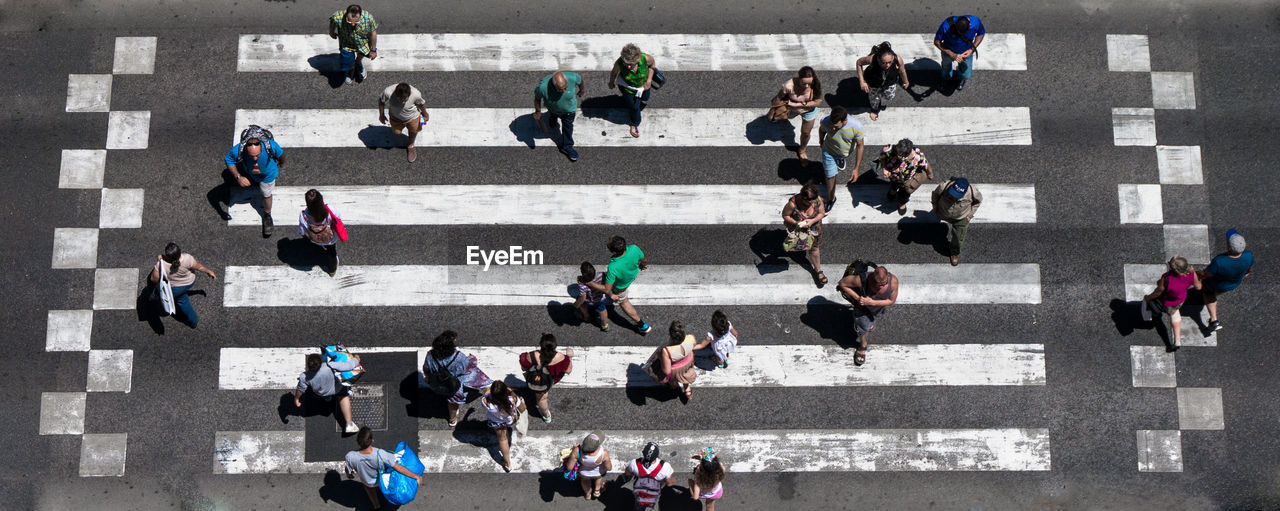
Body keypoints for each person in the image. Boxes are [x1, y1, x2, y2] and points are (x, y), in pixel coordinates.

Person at [221, 128, 285, 237]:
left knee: (266, 194)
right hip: (249, 172)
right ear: (245, 147)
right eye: (252, 156)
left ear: (261, 146)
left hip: (267, 175)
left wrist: (281, 164)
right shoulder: (238, 149)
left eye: (257, 155)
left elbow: (281, 155)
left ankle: (267, 215)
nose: (255, 159)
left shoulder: (271, 146)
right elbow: (229, 160)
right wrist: (238, 177)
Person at [422, 330, 492, 427]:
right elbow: (467, 367)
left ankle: (452, 419)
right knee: (453, 402)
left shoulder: (431, 355)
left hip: (437, 382)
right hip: (453, 384)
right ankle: (452, 419)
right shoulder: (458, 356)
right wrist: (473, 358)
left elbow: (426, 368)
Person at [344, 426, 421, 510]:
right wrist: (416, 476)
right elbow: (398, 467)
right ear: (372, 441)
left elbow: (348, 469)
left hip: (367, 481)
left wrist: (349, 475)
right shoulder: (381, 454)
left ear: (357, 441)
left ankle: (376, 505)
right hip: (379, 481)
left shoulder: (350, 456)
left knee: (370, 490)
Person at [837, 265, 899, 366]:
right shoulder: (861, 279)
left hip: (877, 307)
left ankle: (869, 323)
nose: (880, 287)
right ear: (872, 276)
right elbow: (842, 283)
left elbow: (891, 301)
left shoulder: (894, 282)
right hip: (862, 307)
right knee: (863, 328)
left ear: (888, 276)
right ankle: (863, 345)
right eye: (877, 284)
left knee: (872, 319)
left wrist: (872, 302)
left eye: (883, 284)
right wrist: (858, 299)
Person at [147, 242, 216, 328]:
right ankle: (193, 321)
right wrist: (208, 271)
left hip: (175, 288)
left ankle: (193, 319)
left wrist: (159, 261)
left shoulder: (162, 265)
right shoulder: (187, 258)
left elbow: (153, 279)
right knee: (182, 299)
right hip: (189, 282)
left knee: (183, 301)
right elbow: (198, 267)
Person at [1199, 229, 1254, 332]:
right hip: (1233, 284)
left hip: (1216, 284)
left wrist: (1197, 274)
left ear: (1229, 248)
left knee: (1209, 294)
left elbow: (1207, 274)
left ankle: (1214, 320)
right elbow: (1249, 269)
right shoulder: (1248, 255)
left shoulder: (1219, 260)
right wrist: (1246, 273)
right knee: (1217, 292)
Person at [1143, 255, 1202, 350]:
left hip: (1167, 302)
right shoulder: (1191, 273)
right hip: (1180, 300)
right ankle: (1177, 339)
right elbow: (1198, 287)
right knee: (1175, 314)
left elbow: (1158, 291)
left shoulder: (1167, 278)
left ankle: (1154, 316)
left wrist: (1147, 298)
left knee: (1161, 313)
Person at [295, 352, 361, 434]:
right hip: (336, 389)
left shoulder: (304, 377)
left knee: (321, 394)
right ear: (320, 363)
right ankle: (349, 424)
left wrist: (297, 399)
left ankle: (328, 398)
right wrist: (356, 359)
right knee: (344, 396)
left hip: (321, 393)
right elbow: (348, 366)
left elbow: (300, 389)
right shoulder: (330, 366)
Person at [817, 106, 866, 209]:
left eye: (836, 127)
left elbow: (860, 146)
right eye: (832, 125)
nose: (833, 128)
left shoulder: (856, 127)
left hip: (844, 152)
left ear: (845, 121)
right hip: (829, 151)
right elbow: (822, 130)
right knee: (830, 176)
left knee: (840, 156)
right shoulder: (826, 121)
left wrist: (856, 169)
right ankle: (831, 199)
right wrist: (821, 141)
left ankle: (839, 159)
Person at [518, 333, 574, 422]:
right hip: (550, 380)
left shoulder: (531, 355)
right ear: (555, 346)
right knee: (542, 398)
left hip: (533, 379)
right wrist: (569, 357)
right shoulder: (561, 358)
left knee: (541, 398)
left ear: (540, 344)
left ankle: (546, 415)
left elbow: (523, 367)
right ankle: (546, 416)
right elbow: (568, 371)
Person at [771, 66, 823, 161]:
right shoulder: (788, 86)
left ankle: (802, 150)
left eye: (809, 83)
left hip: (808, 110)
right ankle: (776, 117)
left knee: (806, 133)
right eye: (804, 83)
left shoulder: (815, 85)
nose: (807, 86)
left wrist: (796, 104)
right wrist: (772, 111)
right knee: (780, 117)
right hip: (791, 109)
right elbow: (779, 98)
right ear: (799, 78)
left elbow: (817, 102)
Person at [781, 183, 828, 287]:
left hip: (814, 228)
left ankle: (818, 271)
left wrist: (812, 221)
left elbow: (821, 213)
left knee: (814, 248)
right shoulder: (793, 204)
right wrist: (797, 223)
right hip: (797, 228)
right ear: (803, 198)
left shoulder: (817, 200)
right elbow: (785, 215)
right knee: (797, 244)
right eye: (808, 201)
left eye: (813, 201)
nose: (812, 204)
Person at [605, 236, 653, 334]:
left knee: (624, 303)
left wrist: (611, 295)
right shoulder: (634, 249)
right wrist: (642, 265)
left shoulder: (613, 267)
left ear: (614, 252)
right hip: (631, 275)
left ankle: (642, 325)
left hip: (619, 287)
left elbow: (607, 289)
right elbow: (644, 260)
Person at [608, 43, 657, 138]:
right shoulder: (619, 63)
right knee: (634, 108)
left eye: (631, 64)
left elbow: (652, 66)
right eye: (626, 64)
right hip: (628, 88)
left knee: (645, 98)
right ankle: (635, 123)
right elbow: (614, 73)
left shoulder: (646, 58)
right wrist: (611, 82)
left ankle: (638, 105)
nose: (628, 67)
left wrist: (649, 80)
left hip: (644, 86)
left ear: (638, 60)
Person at [534, 71, 585, 161]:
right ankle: (552, 119)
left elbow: (580, 80)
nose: (564, 91)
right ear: (554, 85)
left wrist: (582, 90)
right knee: (553, 117)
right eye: (560, 89)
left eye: (565, 88)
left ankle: (568, 146)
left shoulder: (573, 77)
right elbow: (537, 98)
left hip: (569, 111)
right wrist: (538, 111)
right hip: (553, 109)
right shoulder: (542, 88)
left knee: (568, 127)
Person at [932, 177, 983, 266]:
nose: (954, 197)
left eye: (958, 195)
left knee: (958, 239)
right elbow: (935, 194)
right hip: (943, 212)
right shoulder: (944, 186)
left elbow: (978, 202)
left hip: (961, 217)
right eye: (953, 193)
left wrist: (970, 215)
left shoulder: (972, 191)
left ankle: (955, 253)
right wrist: (935, 207)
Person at [876, 139, 933, 215]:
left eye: (905, 156)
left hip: (907, 181)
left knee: (904, 194)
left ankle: (901, 203)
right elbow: (882, 155)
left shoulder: (918, 156)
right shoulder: (890, 149)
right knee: (894, 185)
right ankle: (893, 190)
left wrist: (930, 174)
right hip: (893, 177)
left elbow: (926, 165)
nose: (902, 159)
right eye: (899, 155)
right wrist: (884, 168)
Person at [645, 321, 698, 401]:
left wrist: (659, 357)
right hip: (687, 361)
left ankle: (673, 385)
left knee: (672, 376)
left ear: (671, 335)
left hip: (675, 368)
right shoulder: (691, 337)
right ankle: (687, 390)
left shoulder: (667, 351)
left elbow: (667, 371)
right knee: (685, 374)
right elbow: (693, 346)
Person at [856, 42, 910, 121]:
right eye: (884, 63)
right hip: (873, 82)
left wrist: (906, 81)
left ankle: (880, 97)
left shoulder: (897, 59)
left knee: (889, 96)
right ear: (878, 58)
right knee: (874, 99)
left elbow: (902, 71)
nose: (887, 65)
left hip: (890, 82)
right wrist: (862, 81)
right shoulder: (872, 59)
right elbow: (859, 63)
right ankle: (874, 110)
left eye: (890, 62)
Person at [481, 380, 526, 472]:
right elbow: (523, 408)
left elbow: (485, 396)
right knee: (506, 437)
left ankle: (508, 464)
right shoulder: (513, 398)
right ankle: (508, 463)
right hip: (509, 421)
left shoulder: (487, 402)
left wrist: (488, 391)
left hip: (496, 422)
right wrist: (512, 392)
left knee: (502, 439)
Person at [378, 82, 429, 162]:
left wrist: (425, 115)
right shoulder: (388, 92)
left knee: (413, 131)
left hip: (413, 117)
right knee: (396, 132)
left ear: (410, 94)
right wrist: (381, 115)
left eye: (405, 100)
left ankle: (411, 145)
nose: (403, 103)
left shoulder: (416, 94)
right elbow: (381, 101)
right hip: (395, 118)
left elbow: (421, 104)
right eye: (400, 99)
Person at [328, 4, 378, 84]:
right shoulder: (337, 17)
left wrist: (373, 49)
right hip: (346, 43)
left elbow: (373, 33)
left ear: (360, 15)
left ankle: (358, 63)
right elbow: (332, 24)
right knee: (347, 60)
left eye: (356, 22)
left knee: (362, 54)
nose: (352, 24)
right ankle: (350, 69)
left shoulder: (369, 18)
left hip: (362, 42)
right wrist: (331, 32)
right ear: (346, 14)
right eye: (349, 21)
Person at [934, 15, 985, 91]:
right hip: (948, 52)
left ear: (970, 23)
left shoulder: (976, 22)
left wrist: (971, 50)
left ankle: (961, 78)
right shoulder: (946, 25)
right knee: (945, 68)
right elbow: (937, 42)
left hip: (966, 52)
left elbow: (981, 34)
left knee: (966, 74)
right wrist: (951, 54)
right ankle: (946, 78)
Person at [299, 189, 343, 276]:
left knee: (323, 246)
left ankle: (323, 246)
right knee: (331, 252)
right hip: (331, 238)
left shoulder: (303, 216)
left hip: (316, 240)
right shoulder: (330, 209)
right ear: (321, 200)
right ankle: (332, 270)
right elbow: (338, 218)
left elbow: (302, 231)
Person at [624, 442, 676, 511]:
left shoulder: (634, 463)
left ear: (643, 453)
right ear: (658, 455)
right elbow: (670, 483)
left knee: (638, 505)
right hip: (654, 494)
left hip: (640, 493)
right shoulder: (665, 467)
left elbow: (628, 473)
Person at [562, 432, 612, 500]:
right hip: (598, 473)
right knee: (598, 478)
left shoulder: (577, 450)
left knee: (585, 481)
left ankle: (587, 494)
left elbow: (569, 467)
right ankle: (597, 491)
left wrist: (572, 451)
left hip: (583, 473)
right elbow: (609, 468)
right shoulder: (604, 453)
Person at [573, 261, 611, 331]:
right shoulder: (602, 275)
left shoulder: (582, 284)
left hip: (589, 301)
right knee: (602, 310)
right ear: (594, 270)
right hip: (600, 299)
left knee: (582, 305)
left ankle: (586, 317)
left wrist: (576, 305)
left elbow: (582, 298)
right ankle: (604, 325)